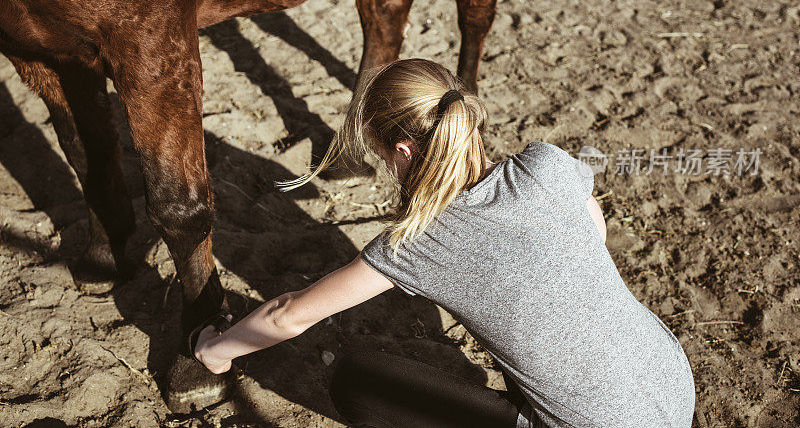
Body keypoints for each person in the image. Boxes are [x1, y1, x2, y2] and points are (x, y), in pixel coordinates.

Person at [193, 58, 696, 427]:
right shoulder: (544, 165)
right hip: (673, 383)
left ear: (405, 151)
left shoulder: (422, 241)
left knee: (355, 377)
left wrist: (215, 350)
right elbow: (591, 212)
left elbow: (290, 315)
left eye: (384, 158)